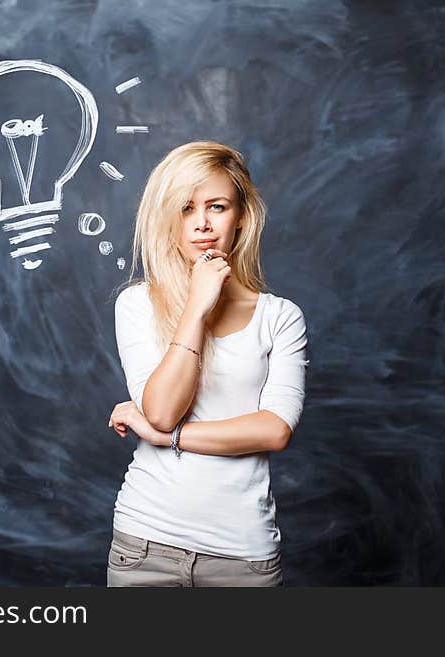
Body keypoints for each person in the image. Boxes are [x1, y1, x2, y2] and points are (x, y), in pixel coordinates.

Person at [106, 141, 309, 587]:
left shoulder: (280, 317)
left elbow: (273, 430)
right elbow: (162, 408)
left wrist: (165, 436)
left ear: (241, 216)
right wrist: (197, 307)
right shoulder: (137, 303)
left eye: (216, 206)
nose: (201, 224)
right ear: (169, 219)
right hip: (144, 546)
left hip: (243, 556)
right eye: (185, 208)